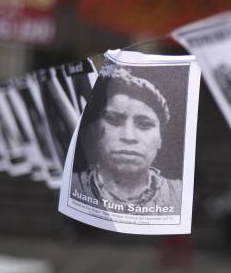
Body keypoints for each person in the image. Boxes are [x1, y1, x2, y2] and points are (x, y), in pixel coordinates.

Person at [71, 65, 182, 215]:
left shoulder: (181, 194)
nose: (129, 137)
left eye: (144, 124)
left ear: (160, 138)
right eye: (113, 120)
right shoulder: (70, 186)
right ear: (95, 131)